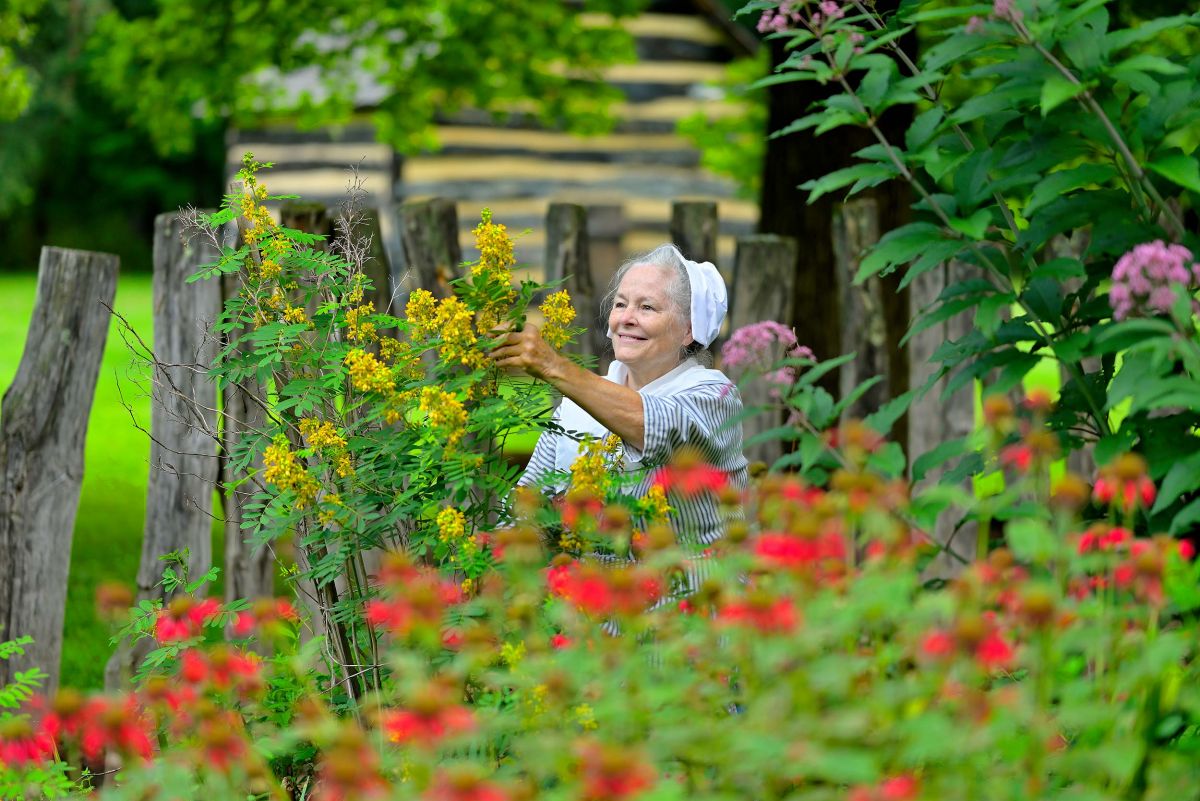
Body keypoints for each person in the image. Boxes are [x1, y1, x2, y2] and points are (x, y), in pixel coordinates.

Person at [490, 243, 748, 547]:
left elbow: (656, 425)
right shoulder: (577, 405)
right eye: (621, 304)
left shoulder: (715, 396)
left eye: (647, 307)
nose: (626, 318)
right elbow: (525, 510)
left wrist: (551, 365)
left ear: (687, 330)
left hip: (687, 590)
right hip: (585, 590)